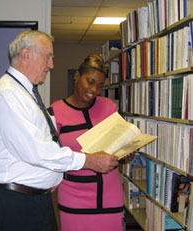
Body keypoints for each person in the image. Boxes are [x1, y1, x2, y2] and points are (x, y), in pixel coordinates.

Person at [0, 30, 120, 231]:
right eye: (48, 57)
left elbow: (42, 143)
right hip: (16, 204)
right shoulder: (7, 95)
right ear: (27, 55)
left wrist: (51, 174)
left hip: (34, 200)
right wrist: (90, 161)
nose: (51, 65)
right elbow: (36, 151)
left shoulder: (25, 93)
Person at [49, 54, 134, 231]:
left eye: (100, 86)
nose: (94, 90)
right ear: (77, 77)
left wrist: (126, 154)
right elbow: (52, 158)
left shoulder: (109, 107)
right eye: (90, 82)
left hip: (110, 197)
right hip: (73, 198)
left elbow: (118, 148)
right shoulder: (55, 111)